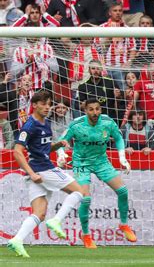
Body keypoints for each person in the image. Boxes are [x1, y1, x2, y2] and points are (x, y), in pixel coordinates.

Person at [7, 90, 84, 258]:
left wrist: (57, 145)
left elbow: (43, 149)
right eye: (43, 104)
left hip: (39, 171)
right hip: (42, 169)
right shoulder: (29, 125)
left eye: (49, 104)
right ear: (34, 105)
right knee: (80, 192)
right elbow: (17, 151)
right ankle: (56, 220)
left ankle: (17, 240)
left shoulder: (45, 123)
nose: (47, 107)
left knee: (39, 214)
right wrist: (32, 174)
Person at [57, 98, 135, 249]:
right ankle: (86, 235)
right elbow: (61, 141)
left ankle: (124, 224)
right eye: (91, 109)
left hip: (101, 162)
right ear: (85, 110)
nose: (95, 112)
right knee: (85, 199)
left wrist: (122, 158)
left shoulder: (107, 122)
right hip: (81, 163)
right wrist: (61, 154)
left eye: (97, 109)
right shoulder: (76, 125)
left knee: (123, 191)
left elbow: (118, 138)